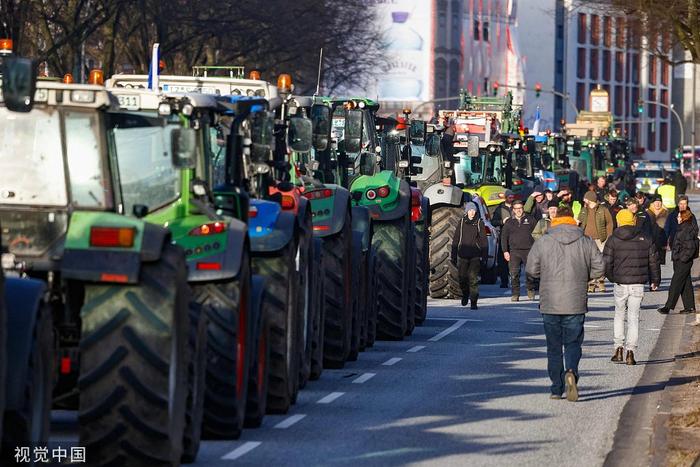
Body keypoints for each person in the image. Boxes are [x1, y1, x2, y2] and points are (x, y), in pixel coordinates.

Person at [526, 206, 605, 401]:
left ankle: (556, 387)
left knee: (553, 347)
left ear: (556, 219)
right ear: (572, 219)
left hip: (550, 301)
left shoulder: (544, 241)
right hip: (575, 300)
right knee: (572, 343)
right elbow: (600, 267)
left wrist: (542, 277)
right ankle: (571, 371)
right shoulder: (585, 240)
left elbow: (531, 269)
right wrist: (584, 277)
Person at [603, 209, 661, 366]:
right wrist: (655, 280)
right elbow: (653, 261)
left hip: (620, 282)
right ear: (633, 220)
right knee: (634, 318)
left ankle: (618, 348)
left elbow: (606, 263)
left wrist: (613, 277)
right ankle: (631, 352)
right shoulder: (645, 238)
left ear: (619, 221)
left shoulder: (613, 239)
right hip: (638, 283)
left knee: (619, 315)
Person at [658, 209, 699, 315]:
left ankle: (668, 307)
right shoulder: (683, 227)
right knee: (686, 283)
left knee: (675, 283)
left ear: (684, 217)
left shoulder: (687, 229)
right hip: (680, 260)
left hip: (683, 261)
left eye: (679, 217)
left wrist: (683, 258)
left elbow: (691, 247)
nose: (677, 218)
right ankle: (690, 307)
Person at [451, 202, 488, 310]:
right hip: (463, 255)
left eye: (474, 210)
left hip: (475, 256)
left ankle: (473, 301)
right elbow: (456, 239)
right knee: (462, 278)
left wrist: (484, 256)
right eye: (470, 210)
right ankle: (465, 293)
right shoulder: (462, 222)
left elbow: (484, 240)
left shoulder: (479, 222)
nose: (472, 212)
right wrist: (453, 255)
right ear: (467, 211)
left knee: (473, 279)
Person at [501, 199, 536, 301]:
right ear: (513, 210)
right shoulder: (509, 222)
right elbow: (504, 237)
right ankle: (515, 294)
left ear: (523, 208)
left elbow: (537, 234)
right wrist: (505, 251)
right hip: (514, 251)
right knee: (514, 274)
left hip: (529, 250)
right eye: (516, 209)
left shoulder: (531, 219)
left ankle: (530, 289)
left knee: (530, 272)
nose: (519, 211)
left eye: (520, 208)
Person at [578, 191, 614, 292]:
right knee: (589, 262)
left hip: (600, 239)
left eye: (586, 199)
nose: (584, 200)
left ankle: (601, 282)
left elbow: (610, 223)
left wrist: (608, 236)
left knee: (600, 262)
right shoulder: (584, 210)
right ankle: (591, 283)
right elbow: (579, 222)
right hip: (587, 239)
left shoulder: (603, 210)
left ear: (590, 199)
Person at [492, 190, 516, 288]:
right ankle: (504, 281)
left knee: (514, 260)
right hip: (504, 235)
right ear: (505, 198)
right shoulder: (500, 208)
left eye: (512, 197)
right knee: (502, 261)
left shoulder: (517, 207)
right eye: (509, 197)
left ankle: (514, 280)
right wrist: (502, 221)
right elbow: (493, 222)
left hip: (515, 236)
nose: (511, 199)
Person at [646, 194, 669, 265]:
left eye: (660, 202)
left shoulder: (666, 213)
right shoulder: (647, 213)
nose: (658, 204)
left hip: (661, 243)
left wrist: (668, 242)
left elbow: (669, 229)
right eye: (656, 202)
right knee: (649, 264)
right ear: (652, 203)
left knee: (658, 264)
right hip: (649, 243)